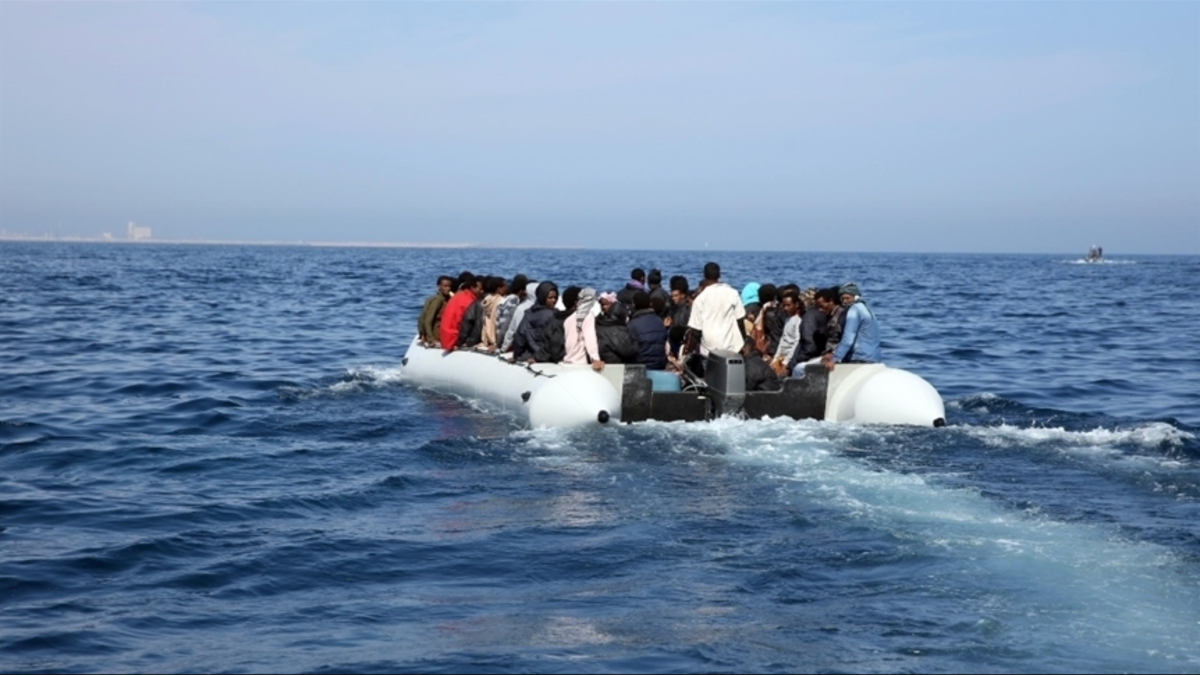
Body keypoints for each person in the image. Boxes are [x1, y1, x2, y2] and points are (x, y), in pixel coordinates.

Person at [685, 262, 746, 359]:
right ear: (719, 275)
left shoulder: (700, 299)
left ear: (704, 275)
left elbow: (696, 331)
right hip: (732, 348)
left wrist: (688, 353)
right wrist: (744, 342)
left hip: (708, 351)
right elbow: (740, 321)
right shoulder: (732, 293)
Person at [823, 282, 881, 370]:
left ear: (855, 297)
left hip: (860, 358)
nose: (845, 301)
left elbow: (848, 339)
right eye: (842, 299)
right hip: (874, 357)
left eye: (847, 298)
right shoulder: (867, 310)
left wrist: (835, 359)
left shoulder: (854, 310)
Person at [511, 281, 558, 363]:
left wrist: (517, 355)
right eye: (550, 298)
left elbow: (520, 336)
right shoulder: (554, 315)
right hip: (545, 356)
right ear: (542, 297)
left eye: (555, 297)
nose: (554, 300)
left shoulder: (529, 313)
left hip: (528, 355)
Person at [627, 290, 668, 370]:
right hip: (660, 364)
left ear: (633, 304)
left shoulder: (632, 324)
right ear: (650, 304)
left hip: (640, 365)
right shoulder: (659, 320)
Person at [595, 292, 639, 364]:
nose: (604, 307)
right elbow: (631, 351)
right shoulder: (619, 331)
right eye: (602, 305)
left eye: (607, 304)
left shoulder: (600, 323)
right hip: (616, 365)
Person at [438, 272, 478, 350]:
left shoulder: (456, 297)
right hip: (453, 339)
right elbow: (466, 323)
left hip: (445, 337)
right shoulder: (468, 299)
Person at [770, 289, 803, 376]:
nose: (785, 308)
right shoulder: (787, 320)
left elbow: (796, 342)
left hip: (788, 357)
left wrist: (786, 362)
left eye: (788, 305)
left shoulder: (798, 321)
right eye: (784, 306)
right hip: (781, 356)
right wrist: (775, 358)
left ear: (796, 304)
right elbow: (783, 339)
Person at [501, 279, 538, 353]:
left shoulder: (521, 308)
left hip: (521, 348)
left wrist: (503, 348)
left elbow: (512, 330)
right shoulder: (542, 308)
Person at [417, 275, 453, 346]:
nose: (448, 288)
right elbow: (428, 321)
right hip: (436, 334)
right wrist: (431, 339)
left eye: (449, 286)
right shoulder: (438, 300)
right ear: (439, 286)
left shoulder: (442, 299)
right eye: (445, 286)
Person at [479, 276, 508, 352]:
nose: (506, 288)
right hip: (495, 339)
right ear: (498, 289)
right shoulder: (501, 301)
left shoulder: (487, 300)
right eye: (504, 286)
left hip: (486, 338)